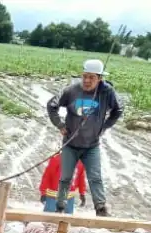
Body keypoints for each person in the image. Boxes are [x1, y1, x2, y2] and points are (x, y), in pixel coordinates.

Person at [46, 59, 122, 217]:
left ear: (99, 78)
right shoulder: (71, 91)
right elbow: (51, 105)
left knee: (95, 177)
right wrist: (60, 125)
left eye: (92, 77)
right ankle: (60, 208)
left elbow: (118, 110)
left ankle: (101, 209)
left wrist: (105, 126)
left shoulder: (106, 92)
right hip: (71, 143)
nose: (87, 81)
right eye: (85, 76)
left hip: (91, 145)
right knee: (65, 177)